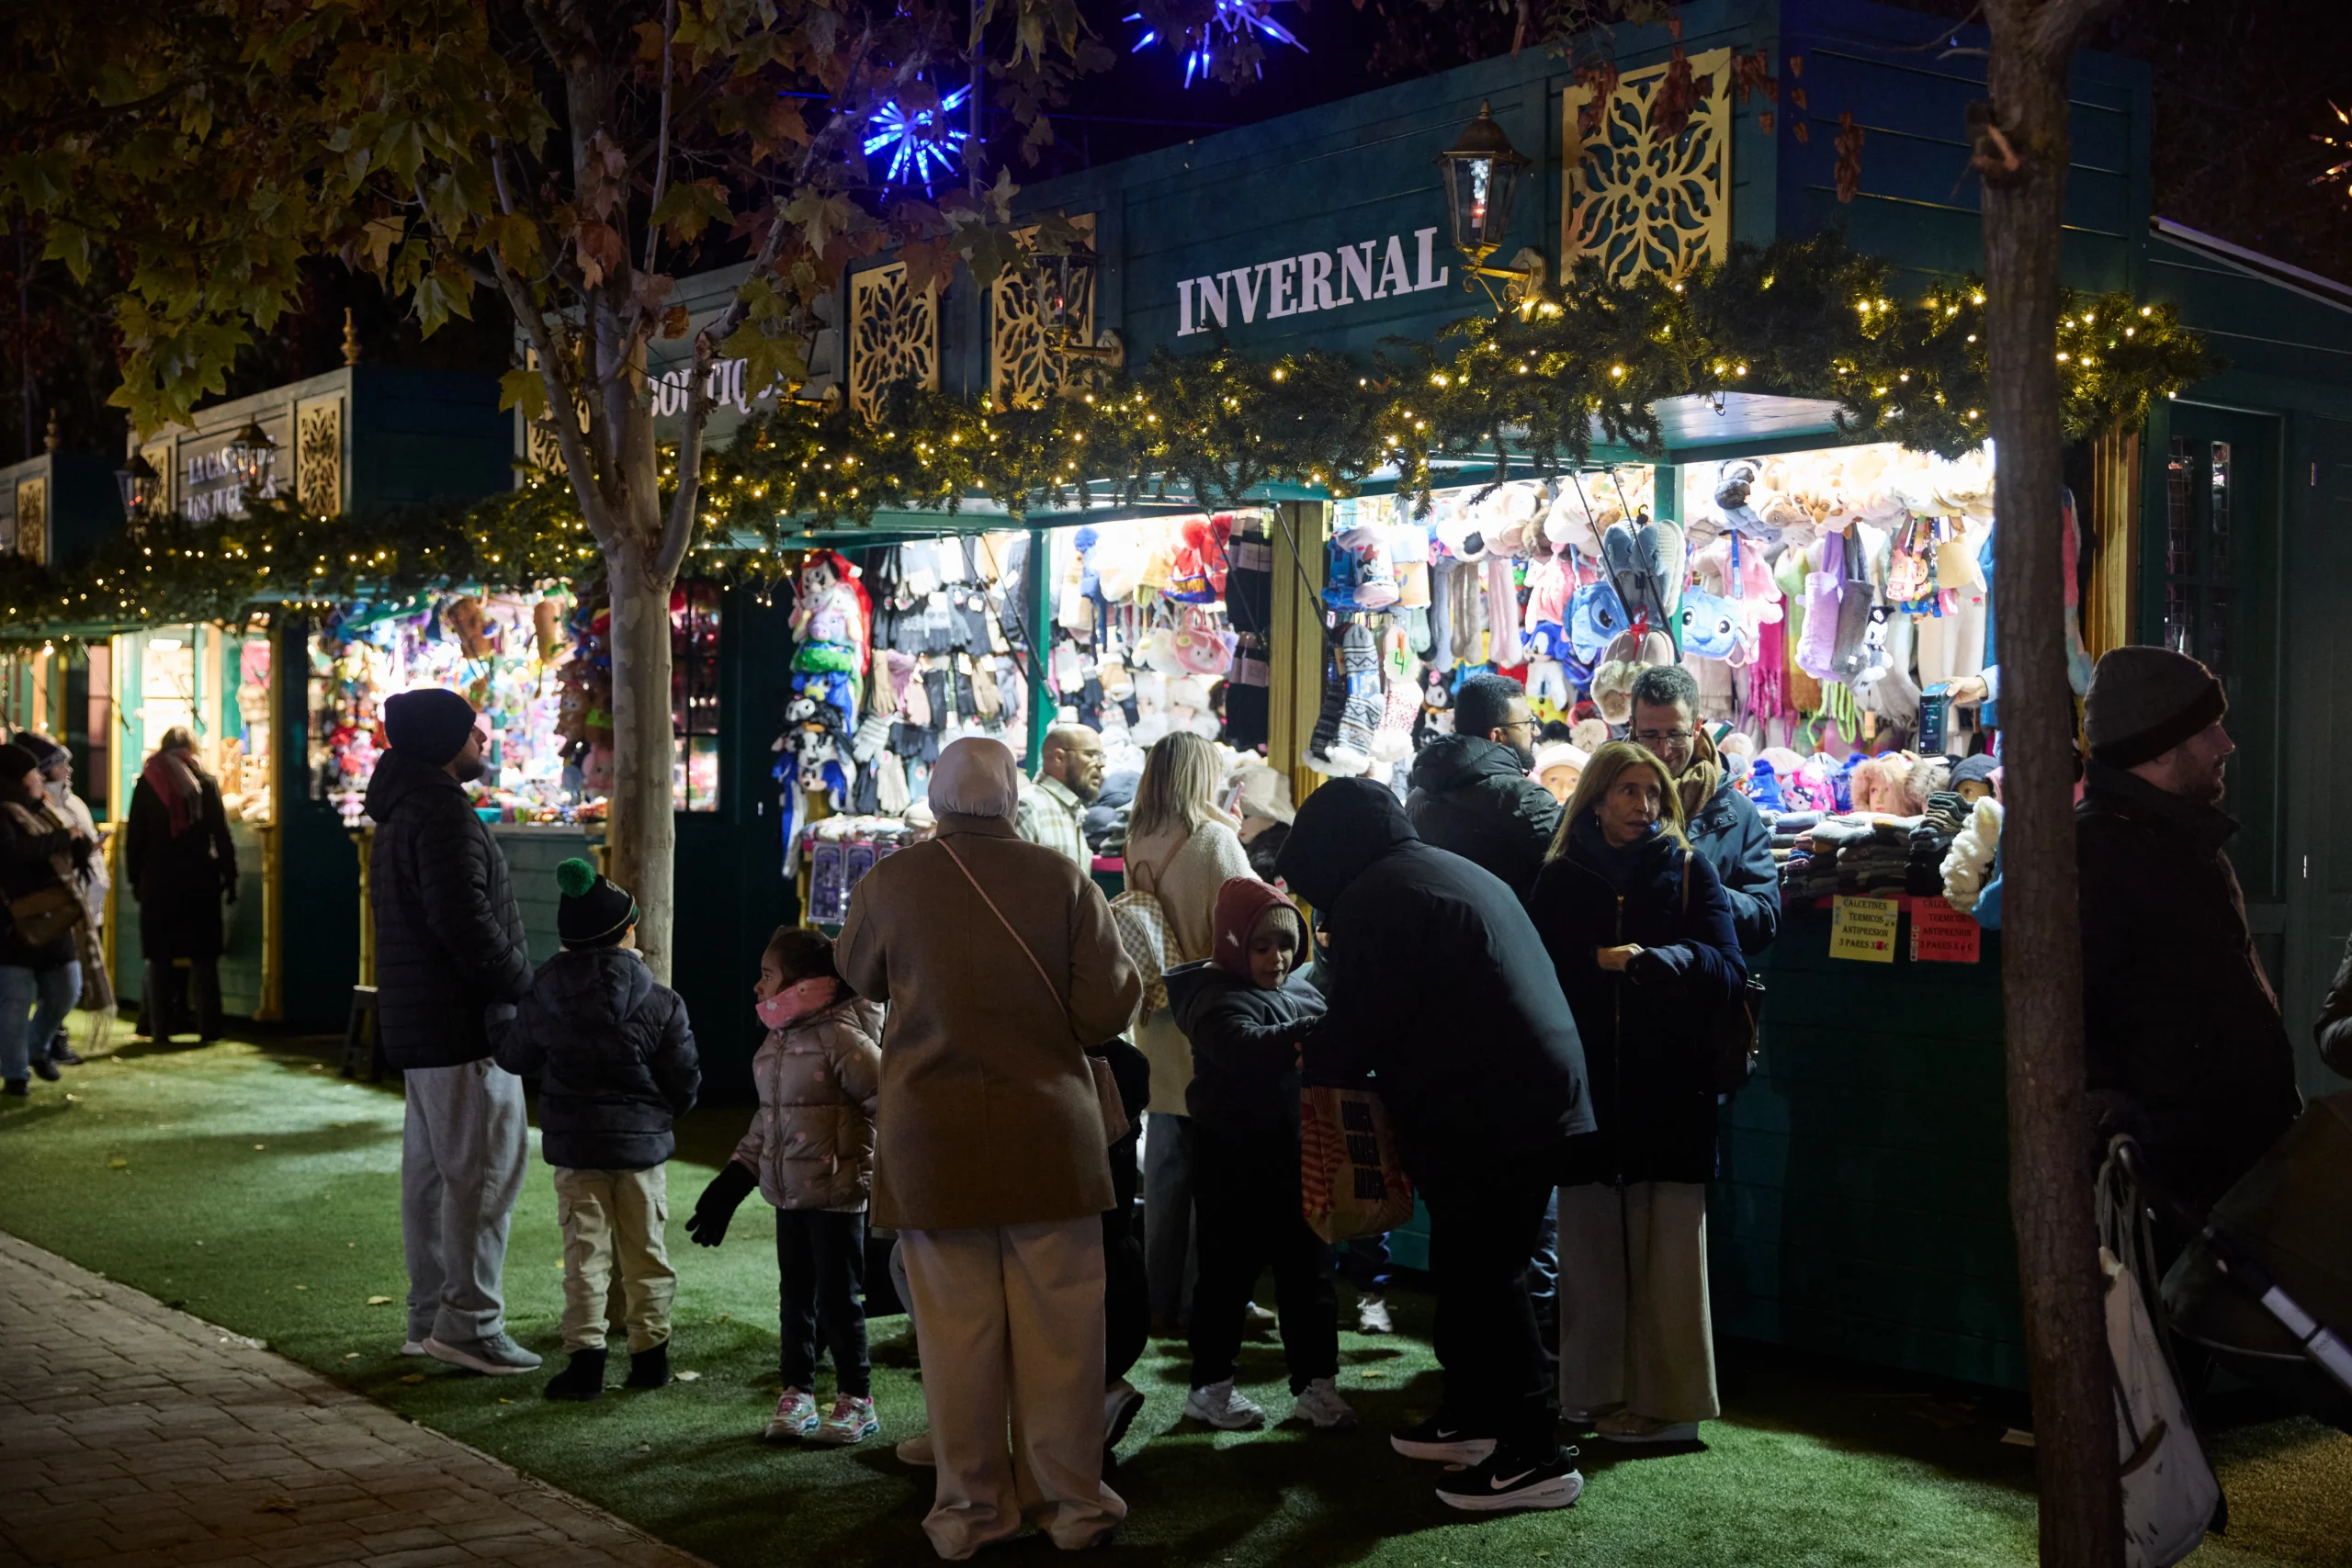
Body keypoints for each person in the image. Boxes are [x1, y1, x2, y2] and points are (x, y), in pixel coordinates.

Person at [836, 737, 1141, 1560]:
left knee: (955, 1334)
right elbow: (1107, 1008)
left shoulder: (890, 881)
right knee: (1065, 1332)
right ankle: (1072, 1503)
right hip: (1051, 1137)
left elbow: (858, 973)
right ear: (1011, 797)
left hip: (932, 1141)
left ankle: (970, 1511)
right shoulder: (1064, 877)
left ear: (936, 799)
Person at [1276, 778, 1592, 1513]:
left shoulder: (1377, 896)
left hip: (1493, 1105)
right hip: (1526, 1095)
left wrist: (1304, 1055)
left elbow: (1361, 1023)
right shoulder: (1441, 869)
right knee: (1475, 1262)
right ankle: (1476, 1417)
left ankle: (1532, 1452)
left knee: (1489, 1271)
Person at [1530, 741, 1746, 1446]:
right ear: (1595, 796)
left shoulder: (1687, 868)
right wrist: (1594, 965)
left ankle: (1670, 1404)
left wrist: (1661, 960)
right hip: (1586, 1089)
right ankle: (1592, 1391)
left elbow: (1727, 966)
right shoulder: (1561, 877)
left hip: (1670, 1091)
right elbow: (1538, 970)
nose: (1642, 805)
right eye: (1627, 790)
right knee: (1589, 1248)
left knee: (1669, 1255)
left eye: (1652, 793)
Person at [2077, 646, 2301, 1212]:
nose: (2226, 744)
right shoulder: (2097, 855)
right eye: (2208, 729)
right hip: (2179, 1190)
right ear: (2157, 750)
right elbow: (2080, 1018)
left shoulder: (2183, 842)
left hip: (2236, 1173)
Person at [367, 687, 539, 1376]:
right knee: (483, 1175)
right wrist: (518, 983)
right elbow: (464, 920)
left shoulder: (403, 808)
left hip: (424, 1021)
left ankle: (429, 1317)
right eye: (474, 731)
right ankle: (467, 1321)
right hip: (463, 1024)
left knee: (437, 1177)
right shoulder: (440, 813)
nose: (485, 741)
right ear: (445, 741)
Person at [492, 859, 700, 1402]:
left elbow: (515, 1056)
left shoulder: (545, 994)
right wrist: (659, 1115)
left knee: (585, 1256)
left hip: (578, 1147)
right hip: (642, 1148)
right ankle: (650, 1357)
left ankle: (585, 1361)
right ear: (626, 931)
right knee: (647, 1251)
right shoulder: (660, 1000)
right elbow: (684, 1079)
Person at [1165, 876, 1353, 1433]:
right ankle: (1210, 1389)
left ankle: (1316, 1387)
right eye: (1261, 946)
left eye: (1285, 945)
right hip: (1233, 1166)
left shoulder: (1300, 990)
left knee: (1311, 1279)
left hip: (1299, 1160)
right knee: (1227, 1281)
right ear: (1231, 944)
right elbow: (1245, 1047)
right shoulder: (1210, 999)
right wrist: (1323, 1034)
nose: (1277, 958)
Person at [685, 925, 885, 1447]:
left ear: (803, 984)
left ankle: (856, 1398)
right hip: (789, 1193)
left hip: (837, 1195)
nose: (757, 986)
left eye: (768, 976)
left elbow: (891, 1106)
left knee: (840, 1299)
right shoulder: (778, 1042)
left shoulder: (844, 1037)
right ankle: (797, 1392)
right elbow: (769, 1121)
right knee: (795, 1295)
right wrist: (736, 1176)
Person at [1124, 730, 1254, 1338]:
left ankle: (1156, 1300)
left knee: (1168, 1170)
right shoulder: (1214, 839)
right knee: (1218, 1178)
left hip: (1155, 1018)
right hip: (1207, 1016)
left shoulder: (1138, 836)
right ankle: (1206, 1298)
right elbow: (1245, 923)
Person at [1625, 665, 1780, 955]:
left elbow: (1765, 921)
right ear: (1632, 726)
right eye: (1649, 735)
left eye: (1674, 734)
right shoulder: (1600, 797)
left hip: (1700, 989)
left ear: (1697, 727)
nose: (1663, 750)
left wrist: (1699, 888)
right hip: (1618, 990)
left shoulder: (1738, 813)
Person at [1405, 672, 1560, 905]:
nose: (1536, 731)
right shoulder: (1524, 800)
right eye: (1528, 722)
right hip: (1512, 937)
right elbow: (1574, 866)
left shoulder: (1418, 795)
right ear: (1497, 736)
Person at [124, 726, 237, 1041]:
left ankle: (160, 1030)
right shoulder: (206, 782)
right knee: (204, 959)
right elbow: (221, 835)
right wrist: (230, 876)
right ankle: (209, 1029)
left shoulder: (148, 783)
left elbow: (135, 838)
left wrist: (135, 878)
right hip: (200, 879)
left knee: (160, 958)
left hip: (159, 881)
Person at [0, 741, 89, 1096]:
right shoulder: (6, 814)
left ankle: (37, 1049)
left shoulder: (44, 810)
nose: (39, 777)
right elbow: (12, 855)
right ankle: (15, 1073)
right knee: (14, 1002)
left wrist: (78, 844)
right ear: (18, 779)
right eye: (32, 772)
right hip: (13, 923)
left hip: (53, 918)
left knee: (66, 989)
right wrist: (62, 839)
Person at [21, 734, 106, 1065]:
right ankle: (46, 1042)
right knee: (61, 981)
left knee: (68, 981)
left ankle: (47, 1041)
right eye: (60, 764)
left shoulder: (74, 802)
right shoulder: (43, 806)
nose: (67, 769)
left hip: (82, 899)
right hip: (61, 904)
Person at [1015, 725, 1108, 867]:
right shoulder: (1030, 808)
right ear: (1059, 758)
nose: (1101, 764)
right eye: (1091, 755)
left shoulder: (1072, 811)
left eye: (1102, 757)